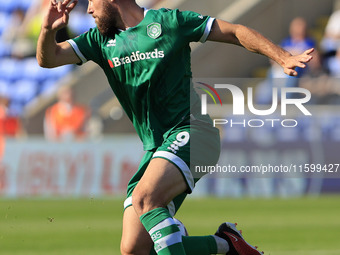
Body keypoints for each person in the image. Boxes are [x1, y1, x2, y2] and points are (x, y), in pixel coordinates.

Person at [36, 0, 313, 254]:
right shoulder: (99, 40)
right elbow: (48, 59)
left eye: (92, 1)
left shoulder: (170, 22)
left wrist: (282, 56)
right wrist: (48, 28)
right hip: (157, 149)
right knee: (133, 247)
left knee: (145, 198)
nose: (88, 10)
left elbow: (233, 31)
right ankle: (227, 244)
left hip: (192, 133)